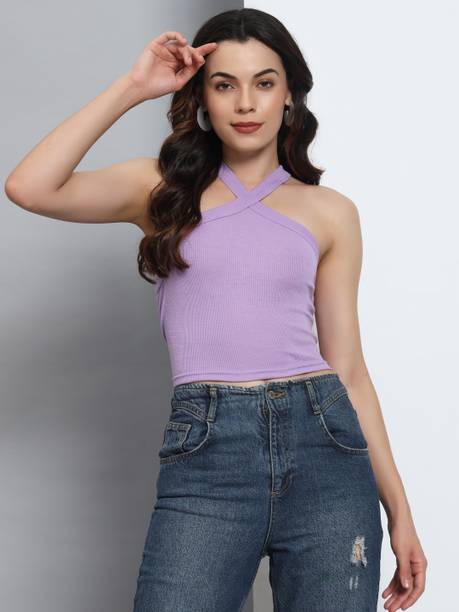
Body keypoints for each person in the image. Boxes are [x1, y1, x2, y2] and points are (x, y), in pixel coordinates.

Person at [4, 8, 427, 612]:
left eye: (264, 82)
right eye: (225, 84)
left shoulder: (330, 211)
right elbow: (29, 186)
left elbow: (350, 371)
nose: (246, 103)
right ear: (202, 97)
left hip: (326, 453)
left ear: (290, 94)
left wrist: (400, 512)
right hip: (208, 454)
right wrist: (134, 87)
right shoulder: (160, 190)